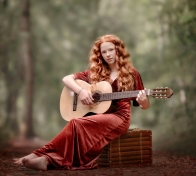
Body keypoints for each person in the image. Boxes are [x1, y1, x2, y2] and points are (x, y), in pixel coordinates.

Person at [13, 34, 150, 170]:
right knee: (75, 123)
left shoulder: (132, 73)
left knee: (76, 123)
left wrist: (144, 101)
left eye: (111, 50)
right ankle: (40, 156)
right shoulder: (97, 72)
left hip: (120, 117)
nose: (108, 54)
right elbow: (67, 79)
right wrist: (81, 91)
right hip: (100, 115)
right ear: (100, 54)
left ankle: (45, 159)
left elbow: (145, 106)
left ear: (118, 50)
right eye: (104, 52)